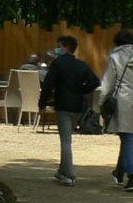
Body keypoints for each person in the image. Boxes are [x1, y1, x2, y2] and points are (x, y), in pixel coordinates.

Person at [37, 36, 100, 186]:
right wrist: (83, 91)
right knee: (67, 137)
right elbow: (95, 81)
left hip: (63, 105)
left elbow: (47, 85)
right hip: (78, 106)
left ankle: (70, 174)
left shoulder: (57, 64)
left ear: (65, 47)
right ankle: (62, 170)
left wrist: (42, 104)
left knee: (65, 141)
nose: (57, 49)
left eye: (59, 46)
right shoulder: (81, 65)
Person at [99, 29, 133, 192]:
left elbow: (108, 83)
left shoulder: (115, 57)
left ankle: (131, 175)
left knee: (126, 137)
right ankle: (119, 171)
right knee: (127, 135)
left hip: (123, 100)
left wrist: (101, 103)